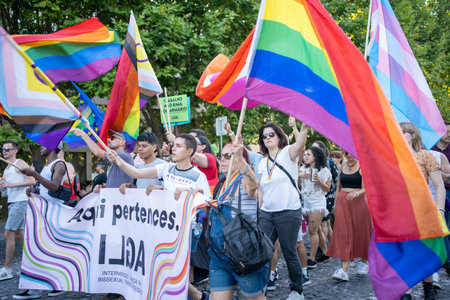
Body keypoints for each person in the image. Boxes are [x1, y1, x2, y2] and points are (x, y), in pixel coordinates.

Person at [106, 133, 211, 300]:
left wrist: (189, 193)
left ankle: (196, 296)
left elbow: (206, 204)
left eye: (178, 146)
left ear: (189, 151)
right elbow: (135, 172)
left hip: (186, 229)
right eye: (173, 145)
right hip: (164, 227)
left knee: (171, 267)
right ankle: (198, 296)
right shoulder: (166, 169)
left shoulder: (198, 176)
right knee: (162, 265)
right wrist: (117, 160)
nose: (173, 148)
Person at [257, 117, 308, 300]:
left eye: (271, 134)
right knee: (263, 251)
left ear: (279, 137)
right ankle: (259, 288)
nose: (268, 137)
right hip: (267, 214)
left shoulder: (287, 153)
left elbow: (300, 143)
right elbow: (262, 190)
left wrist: (303, 126)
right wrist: (260, 212)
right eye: (264, 136)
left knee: (289, 251)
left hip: (288, 211)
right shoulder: (262, 162)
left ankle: (297, 290)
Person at [208, 141, 266, 299]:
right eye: (221, 156)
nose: (223, 160)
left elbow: (254, 185)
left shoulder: (243, 182)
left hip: (245, 256)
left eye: (229, 156)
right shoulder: (220, 186)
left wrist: (240, 159)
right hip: (219, 258)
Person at [398, 122, 445, 300]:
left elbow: (439, 186)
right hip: (401, 213)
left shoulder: (425, 156)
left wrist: (439, 210)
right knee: (406, 253)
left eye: (403, 131)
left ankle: (428, 289)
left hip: (423, 211)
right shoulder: (393, 157)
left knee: (425, 253)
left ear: (414, 135)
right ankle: (406, 294)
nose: (400, 133)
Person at [14, 145, 68, 299]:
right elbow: (46, 189)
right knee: (38, 249)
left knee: (50, 250)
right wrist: (35, 190)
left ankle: (57, 284)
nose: (41, 148)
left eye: (44, 145)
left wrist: (35, 175)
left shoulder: (59, 164)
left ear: (53, 147)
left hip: (52, 212)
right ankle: (34, 288)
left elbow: (54, 186)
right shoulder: (47, 165)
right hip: (43, 211)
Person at [326, 151, 372, 282]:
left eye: (350, 152)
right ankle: (343, 270)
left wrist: (357, 194)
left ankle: (364, 261)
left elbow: (366, 188)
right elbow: (337, 189)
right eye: (345, 152)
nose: (348, 154)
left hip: (359, 203)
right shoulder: (341, 167)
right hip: (342, 202)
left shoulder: (362, 166)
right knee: (344, 234)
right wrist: (334, 206)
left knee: (361, 232)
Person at [0, 141, 35, 281]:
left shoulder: (20, 163)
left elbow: (32, 180)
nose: (4, 151)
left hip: (20, 201)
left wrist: (11, 184)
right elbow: (9, 186)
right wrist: (4, 187)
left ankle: (7, 269)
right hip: (12, 202)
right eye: (2, 149)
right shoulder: (7, 168)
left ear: (15, 150)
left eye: (7, 149)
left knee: (8, 233)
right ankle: (33, 264)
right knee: (20, 234)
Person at [298, 146, 331, 269]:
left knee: (312, 230)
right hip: (306, 201)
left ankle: (312, 259)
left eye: (308, 154)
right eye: (305, 154)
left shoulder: (324, 171)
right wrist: (299, 176)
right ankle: (326, 253)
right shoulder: (303, 168)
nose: (305, 156)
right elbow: (298, 185)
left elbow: (327, 189)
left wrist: (319, 181)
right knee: (316, 230)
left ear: (315, 157)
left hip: (318, 201)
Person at [311, 141, 338, 260]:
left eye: (316, 148)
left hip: (327, 195)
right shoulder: (319, 162)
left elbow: (335, 178)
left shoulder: (328, 162)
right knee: (326, 223)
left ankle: (323, 250)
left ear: (322, 149)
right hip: (322, 194)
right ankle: (333, 248)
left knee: (323, 223)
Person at [431, 121, 450, 275]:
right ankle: (446, 262)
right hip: (435, 193)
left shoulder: (443, 155)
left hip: (448, 190)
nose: (449, 134)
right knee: (443, 227)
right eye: (447, 131)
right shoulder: (431, 150)